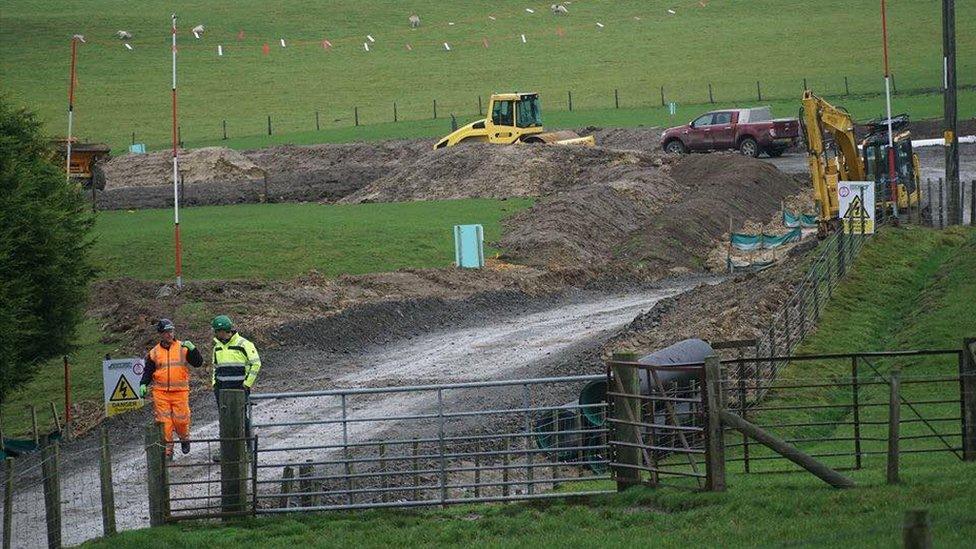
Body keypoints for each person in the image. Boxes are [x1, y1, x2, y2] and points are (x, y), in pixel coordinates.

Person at [140, 318, 203, 458]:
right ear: (160, 334)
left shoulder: (183, 347)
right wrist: (143, 384)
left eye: (171, 331)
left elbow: (198, 363)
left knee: (181, 419)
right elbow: (148, 371)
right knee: (164, 423)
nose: (169, 334)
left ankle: (184, 438)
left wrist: (194, 350)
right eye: (166, 332)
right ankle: (167, 452)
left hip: (180, 392)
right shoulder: (154, 352)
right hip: (160, 393)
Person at [210, 314, 262, 461]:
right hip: (222, 390)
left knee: (241, 418)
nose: (215, 334)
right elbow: (215, 367)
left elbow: (256, 364)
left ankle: (248, 449)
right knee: (224, 419)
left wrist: (246, 384)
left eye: (216, 331)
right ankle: (226, 451)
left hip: (239, 388)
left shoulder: (244, 344)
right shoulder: (217, 347)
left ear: (224, 330)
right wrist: (215, 384)